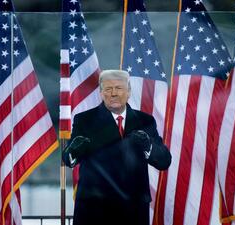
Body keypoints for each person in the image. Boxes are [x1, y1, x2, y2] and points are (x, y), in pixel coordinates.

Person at [62, 69, 171, 225]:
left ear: (128, 92)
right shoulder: (85, 120)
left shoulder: (145, 120)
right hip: (95, 209)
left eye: (119, 88)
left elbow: (164, 161)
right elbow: (68, 159)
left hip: (134, 209)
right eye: (108, 89)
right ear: (101, 92)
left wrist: (149, 146)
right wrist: (74, 150)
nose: (113, 93)